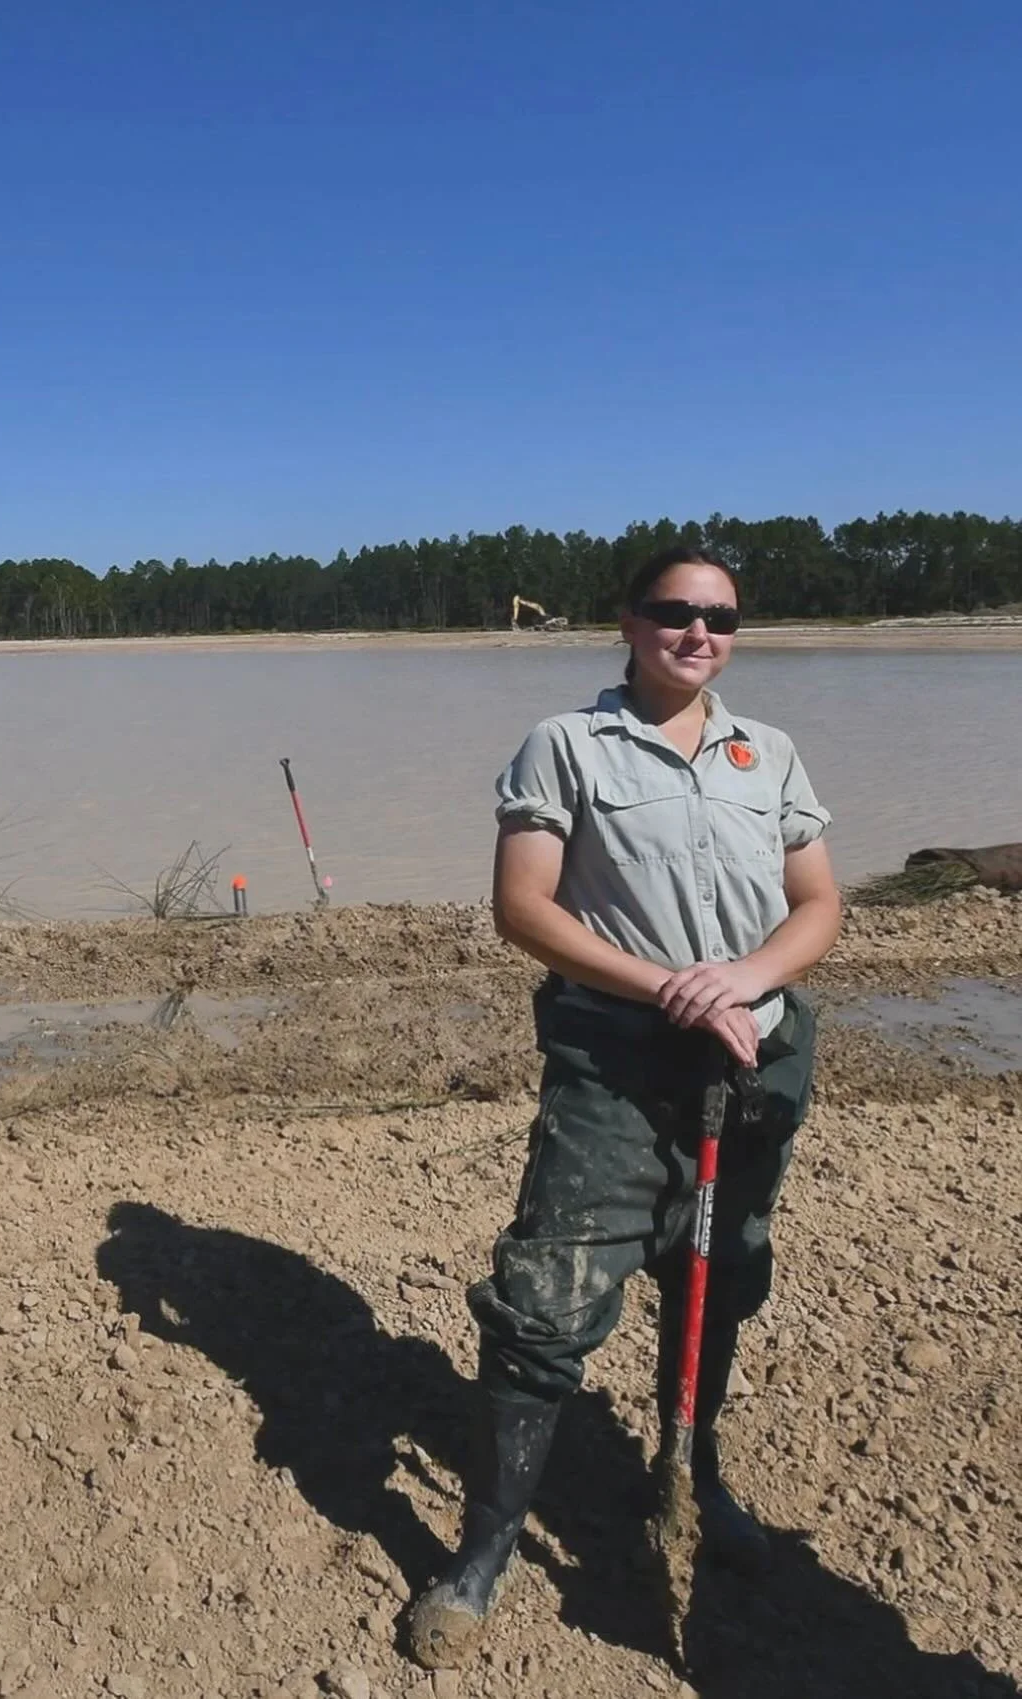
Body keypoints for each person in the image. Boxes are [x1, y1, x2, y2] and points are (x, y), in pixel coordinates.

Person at [408, 547, 842, 1670]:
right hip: (616, 1064)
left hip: (756, 1056)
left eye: (720, 618)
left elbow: (815, 902)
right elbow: (521, 909)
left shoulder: (768, 751)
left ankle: (688, 1481)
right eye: (674, 612)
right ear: (629, 621)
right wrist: (671, 986)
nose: (697, 633)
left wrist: (741, 981)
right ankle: (483, 1550)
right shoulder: (564, 745)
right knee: (543, 1303)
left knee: (718, 1270)